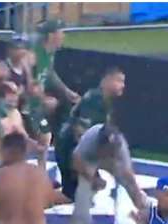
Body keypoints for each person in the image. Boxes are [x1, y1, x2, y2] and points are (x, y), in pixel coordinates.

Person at [54, 67, 125, 202]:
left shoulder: (102, 100)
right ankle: (40, 198)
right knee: (71, 196)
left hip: (70, 148)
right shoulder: (95, 100)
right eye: (119, 80)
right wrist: (88, 170)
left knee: (83, 191)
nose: (123, 85)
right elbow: (79, 132)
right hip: (69, 150)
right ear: (106, 81)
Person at [70, 124, 147, 224]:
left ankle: (146, 213)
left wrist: (136, 192)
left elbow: (128, 174)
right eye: (108, 148)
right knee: (84, 188)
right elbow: (76, 161)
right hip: (89, 159)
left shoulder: (120, 147)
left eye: (112, 148)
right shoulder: (90, 139)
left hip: (112, 162)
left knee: (130, 186)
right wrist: (93, 178)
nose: (110, 150)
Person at [31, 20, 81, 114]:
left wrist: (67, 92)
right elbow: (29, 83)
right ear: (51, 36)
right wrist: (44, 99)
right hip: (29, 106)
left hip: (38, 103)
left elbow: (50, 74)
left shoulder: (50, 53)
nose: (63, 36)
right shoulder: (35, 54)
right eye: (61, 33)